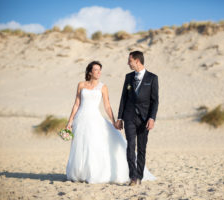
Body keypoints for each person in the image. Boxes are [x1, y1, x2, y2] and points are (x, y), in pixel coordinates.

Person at [65, 61, 155, 184]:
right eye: (96, 70)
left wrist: (114, 121)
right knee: (80, 146)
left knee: (93, 146)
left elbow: (107, 106)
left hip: (94, 118)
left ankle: (93, 173)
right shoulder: (81, 85)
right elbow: (76, 104)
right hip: (80, 119)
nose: (98, 72)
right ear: (90, 72)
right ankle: (81, 173)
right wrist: (70, 121)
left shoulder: (103, 87)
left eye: (100, 70)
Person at [115, 51, 159, 186]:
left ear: (137, 61)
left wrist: (152, 118)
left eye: (130, 61)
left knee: (141, 148)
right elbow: (124, 97)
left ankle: (139, 176)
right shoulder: (128, 77)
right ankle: (133, 177)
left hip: (145, 119)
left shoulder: (152, 78)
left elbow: (155, 101)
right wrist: (120, 117)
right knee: (130, 146)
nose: (128, 63)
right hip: (129, 117)